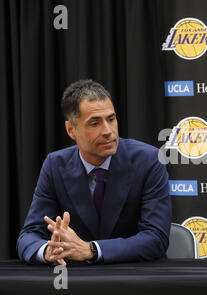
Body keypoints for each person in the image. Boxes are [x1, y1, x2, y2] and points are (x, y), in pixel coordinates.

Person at [17, 80, 172, 265]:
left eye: (111, 119)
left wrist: (91, 250)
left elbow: (156, 239)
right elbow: (29, 235)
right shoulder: (55, 165)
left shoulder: (149, 160)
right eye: (95, 123)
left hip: (136, 278)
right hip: (78, 281)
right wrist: (47, 251)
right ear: (71, 130)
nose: (108, 131)